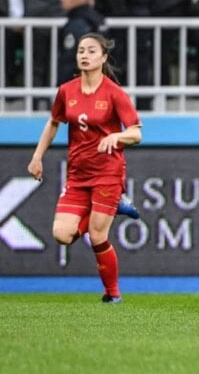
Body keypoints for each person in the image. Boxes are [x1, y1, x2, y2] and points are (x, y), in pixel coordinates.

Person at [27, 33, 142, 303]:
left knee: (97, 233)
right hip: (78, 175)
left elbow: (136, 133)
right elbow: (54, 122)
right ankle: (115, 206)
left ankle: (112, 294)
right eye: (81, 50)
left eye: (91, 51)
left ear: (103, 57)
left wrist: (117, 137)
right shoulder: (67, 91)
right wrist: (37, 156)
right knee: (62, 235)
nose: (84, 55)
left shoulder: (114, 93)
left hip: (107, 173)